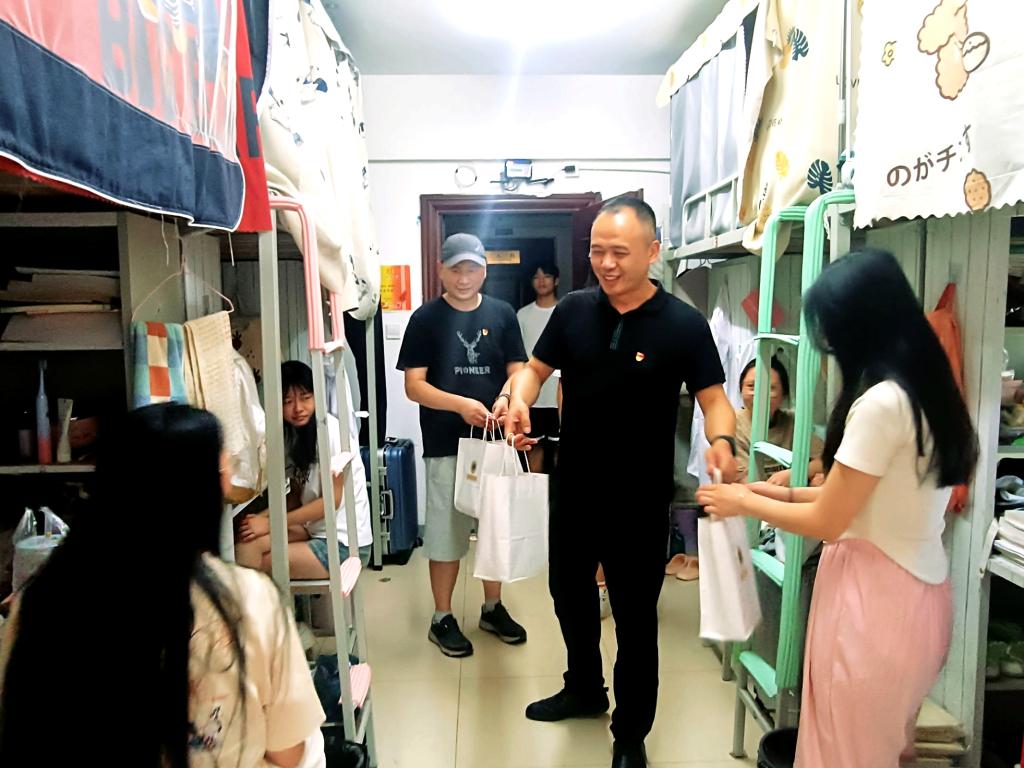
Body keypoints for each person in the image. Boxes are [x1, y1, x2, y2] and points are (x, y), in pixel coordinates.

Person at [697, 249, 978, 768]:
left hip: (871, 601)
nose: (828, 350)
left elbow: (829, 519)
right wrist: (761, 494)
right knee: (881, 748)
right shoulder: (928, 389)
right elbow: (858, 502)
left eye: (830, 335)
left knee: (844, 750)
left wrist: (742, 499)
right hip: (916, 594)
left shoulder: (881, 404)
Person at [501, 198, 738, 768]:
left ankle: (630, 731)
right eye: (597, 251)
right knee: (568, 594)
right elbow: (535, 370)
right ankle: (584, 687)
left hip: (640, 497)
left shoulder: (682, 324)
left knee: (635, 618)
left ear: (652, 252)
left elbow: (714, 400)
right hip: (575, 486)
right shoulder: (574, 311)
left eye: (619, 253)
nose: (605, 264)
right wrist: (519, 399)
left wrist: (723, 442)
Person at [0, 404, 326, 767]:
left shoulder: (39, 601)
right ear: (208, 491)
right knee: (310, 747)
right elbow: (288, 753)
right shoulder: (247, 600)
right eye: (226, 469)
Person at [398, 232, 529, 658]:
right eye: (456, 269)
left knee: (495, 527)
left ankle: (493, 608)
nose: (464, 277)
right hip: (444, 442)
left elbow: (519, 371)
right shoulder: (425, 319)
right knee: (444, 532)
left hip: (495, 439)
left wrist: (505, 398)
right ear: (441, 270)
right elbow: (414, 386)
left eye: (472, 268)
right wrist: (459, 405)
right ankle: (442, 617)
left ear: (484, 271)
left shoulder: (503, 314)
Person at [236, 361, 373, 577]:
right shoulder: (292, 436)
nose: (298, 408)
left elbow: (331, 502)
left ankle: (262, 599)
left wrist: (270, 524)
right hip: (313, 529)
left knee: (262, 562)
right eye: (288, 401)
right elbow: (295, 497)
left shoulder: (332, 432)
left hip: (344, 543)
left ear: (316, 396)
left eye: (305, 398)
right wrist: (257, 520)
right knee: (247, 544)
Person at [735, 356, 825, 486]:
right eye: (751, 386)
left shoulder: (792, 422)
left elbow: (824, 461)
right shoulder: (733, 423)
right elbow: (747, 484)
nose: (760, 394)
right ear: (741, 389)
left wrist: (794, 474)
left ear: (784, 394)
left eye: (770, 388)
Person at [517, 263, 561, 473]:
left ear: (556, 280)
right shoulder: (522, 315)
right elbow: (518, 358)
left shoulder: (565, 312)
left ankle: (558, 492)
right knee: (533, 448)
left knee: (560, 450)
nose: (542, 281)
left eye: (547, 276)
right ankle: (534, 493)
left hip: (559, 396)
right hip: (532, 398)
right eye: (536, 277)